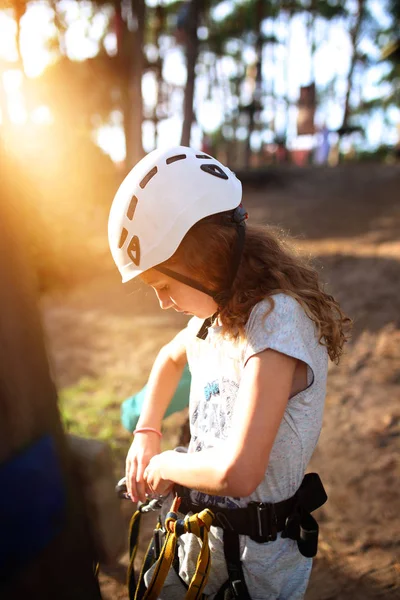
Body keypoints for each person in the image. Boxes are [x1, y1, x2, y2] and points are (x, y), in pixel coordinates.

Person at [108, 146, 351, 599]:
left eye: (164, 284)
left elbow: (239, 473)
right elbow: (169, 357)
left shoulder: (276, 324)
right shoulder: (214, 318)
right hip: (199, 550)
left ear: (203, 259)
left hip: (255, 574)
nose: (162, 301)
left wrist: (167, 463)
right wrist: (147, 429)